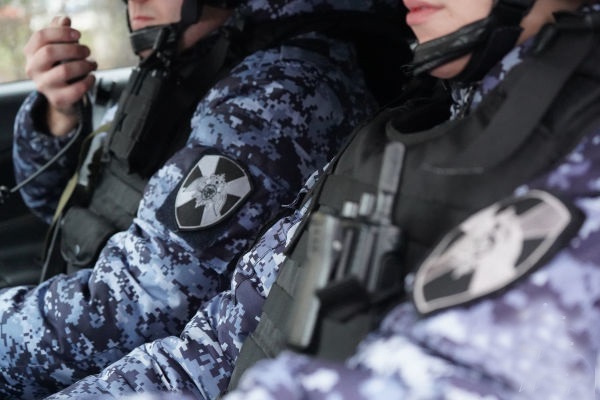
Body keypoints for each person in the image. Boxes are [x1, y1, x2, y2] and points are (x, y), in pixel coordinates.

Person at [44, 0, 600, 398]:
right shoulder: (408, 127)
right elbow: (211, 352)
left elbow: (141, 305)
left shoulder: (284, 85)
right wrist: (55, 122)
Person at [1, 0, 407, 398]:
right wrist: (58, 118)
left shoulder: (277, 92)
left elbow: (139, 308)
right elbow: (61, 210)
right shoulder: (179, 69)